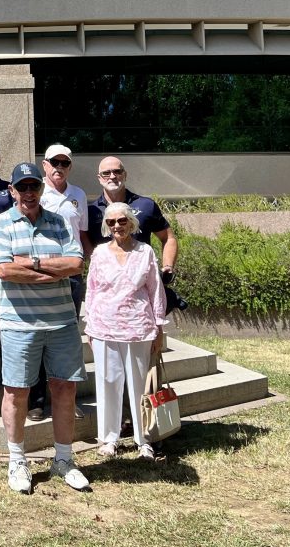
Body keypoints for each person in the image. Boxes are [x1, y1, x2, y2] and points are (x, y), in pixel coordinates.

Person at [0, 163, 88, 494]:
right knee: (16, 392)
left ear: (41, 189)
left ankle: (63, 460)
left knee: (64, 389)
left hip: (61, 322)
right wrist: (51, 271)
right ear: (13, 190)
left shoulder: (59, 222)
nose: (29, 192)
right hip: (19, 324)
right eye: (23, 187)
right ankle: (17, 460)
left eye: (34, 186)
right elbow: (3, 270)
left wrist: (29, 263)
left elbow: (75, 264)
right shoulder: (1, 222)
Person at [85, 202, 167, 461]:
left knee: (139, 385)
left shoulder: (145, 252)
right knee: (108, 383)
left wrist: (159, 326)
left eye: (122, 221)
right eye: (111, 222)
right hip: (104, 327)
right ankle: (109, 438)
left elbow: (155, 289)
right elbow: (92, 289)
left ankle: (144, 440)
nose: (117, 226)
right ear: (106, 226)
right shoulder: (98, 253)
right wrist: (89, 324)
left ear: (131, 223)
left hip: (138, 327)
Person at [29, 143, 92, 422]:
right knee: (39, 338)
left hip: (71, 276)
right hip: (41, 275)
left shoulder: (78, 194)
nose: (59, 167)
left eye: (64, 163)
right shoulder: (35, 193)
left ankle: (67, 400)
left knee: (67, 339)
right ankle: (37, 400)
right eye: (54, 162)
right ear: (44, 164)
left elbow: (83, 236)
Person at [87, 156, 183, 311]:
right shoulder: (91, 211)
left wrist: (168, 266)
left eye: (117, 171)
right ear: (99, 178)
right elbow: (86, 243)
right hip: (108, 291)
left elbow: (168, 238)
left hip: (142, 289)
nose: (112, 176)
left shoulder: (146, 205)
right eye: (106, 173)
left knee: (149, 330)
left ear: (125, 175)